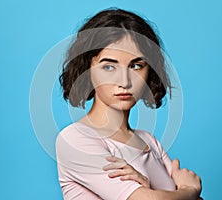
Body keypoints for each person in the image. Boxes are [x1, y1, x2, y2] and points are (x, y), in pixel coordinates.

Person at [56, 8, 202, 200]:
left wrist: (149, 188)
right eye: (109, 67)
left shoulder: (149, 142)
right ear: (87, 70)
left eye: (135, 66)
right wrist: (189, 191)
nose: (124, 81)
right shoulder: (75, 139)